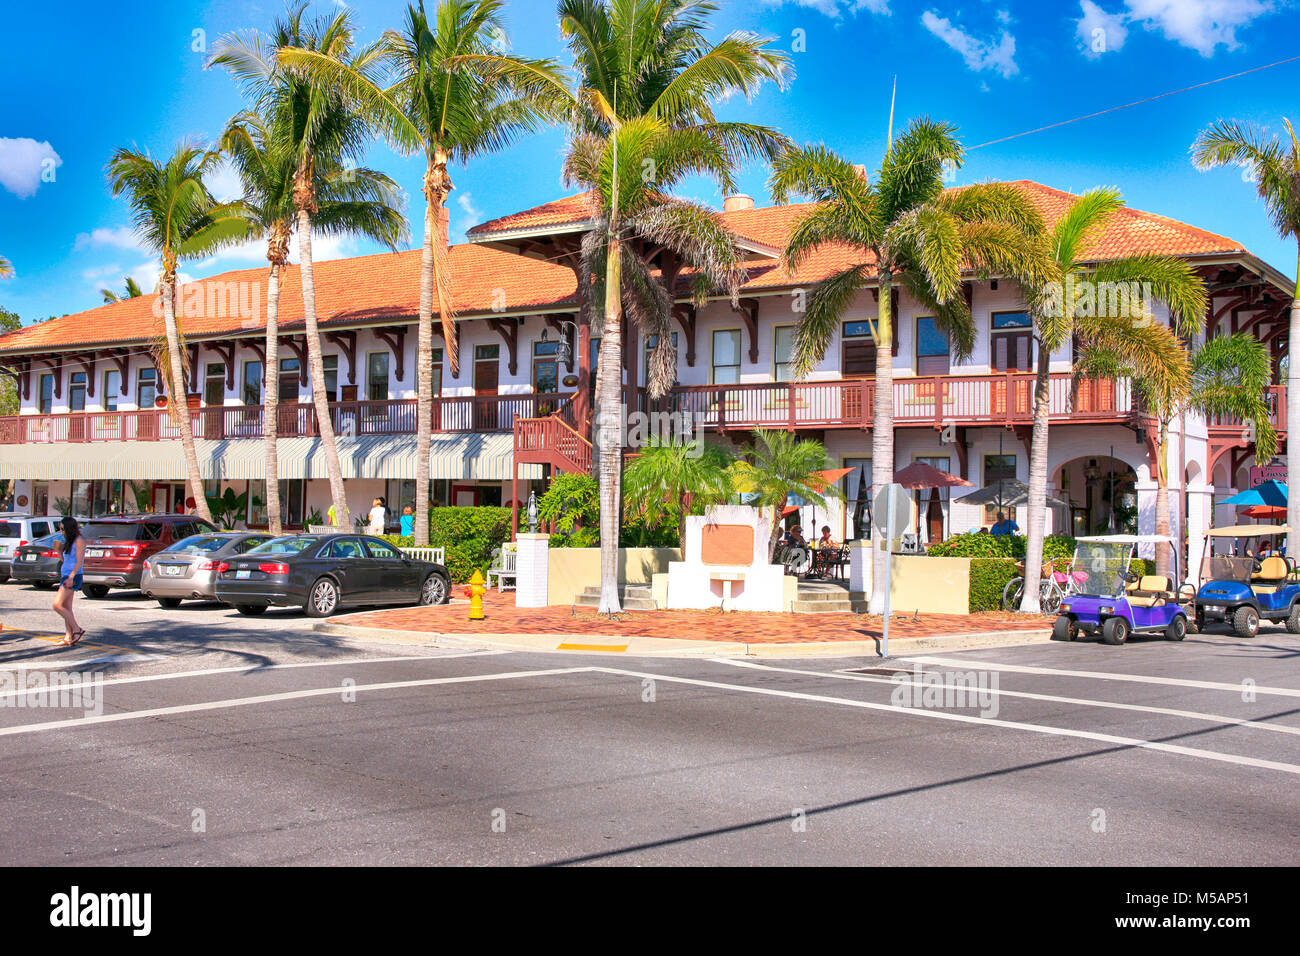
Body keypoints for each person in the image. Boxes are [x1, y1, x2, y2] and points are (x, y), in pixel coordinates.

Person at [52, 516, 86, 647]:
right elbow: (64, 561)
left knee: (57, 605)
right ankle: (68, 636)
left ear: (69, 528)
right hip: (66, 574)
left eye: (62, 528)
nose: (61, 531)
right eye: (60, 529)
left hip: (73, 576)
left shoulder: (79, 540)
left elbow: (79, 562)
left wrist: (71, 577)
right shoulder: (69, 541)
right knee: (66, 607)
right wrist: (57, 550)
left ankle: (77, 629)